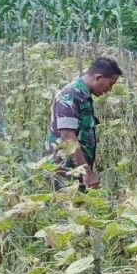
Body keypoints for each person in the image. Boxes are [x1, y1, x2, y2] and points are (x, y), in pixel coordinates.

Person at [43, 57, 122, 190]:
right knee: (67, 208)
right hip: (64, 171)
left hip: (74, 170)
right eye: (110, 84)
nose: (110, 89)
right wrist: (86, 172)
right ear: (98, 77)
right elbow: (67, 136)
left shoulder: (83, 95)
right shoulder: (71, 94)